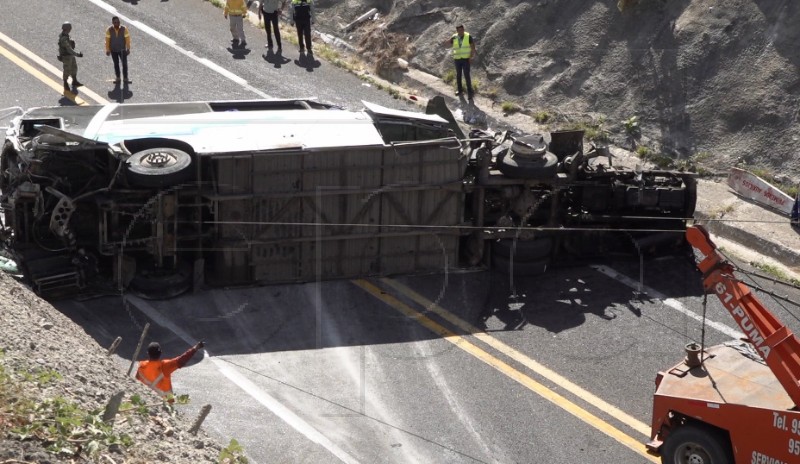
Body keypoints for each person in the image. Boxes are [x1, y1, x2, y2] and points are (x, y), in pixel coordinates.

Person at [136, 341, 204, 400]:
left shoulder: (142, 365)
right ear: (160, 353)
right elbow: (181, 360)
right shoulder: (165, 365)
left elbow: (136, 380)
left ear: (148, 353)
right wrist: (195, 348)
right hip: (166, 401)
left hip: (147, 398)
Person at [444, 25, 476, 99]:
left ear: (464, 29)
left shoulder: (468, 36)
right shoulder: (454, 36)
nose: (461, 31)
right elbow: (449, 43)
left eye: (462, 30)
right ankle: (460, 90)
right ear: (457, 31)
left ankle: (470, 92)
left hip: (466, 59)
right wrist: (446, 41)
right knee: (458, 75)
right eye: (459, 30)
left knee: (466, 75)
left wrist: (471, 57)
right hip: (457, 59)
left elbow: (473, 47)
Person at [58, 22, 83, 92]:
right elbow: (69, 49)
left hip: (70, 56)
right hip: (66, 56)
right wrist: (77, 54)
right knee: (67, 70)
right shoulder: (64, 39)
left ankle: (74, 81)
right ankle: (65, 84)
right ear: (67, 28)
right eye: (70, 28)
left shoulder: (66, 35)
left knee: (74, 68)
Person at [105, 16, 131, 84]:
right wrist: (108, 50)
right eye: (115, 22)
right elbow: (107, 40)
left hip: (122, 50)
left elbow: (127, 39)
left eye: (118, 22)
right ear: (112, 23)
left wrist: (128, 48)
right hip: (113, 50)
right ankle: (118, 78)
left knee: (124, 64)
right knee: (116, 64)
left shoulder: (124, 29)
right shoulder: (109, 30)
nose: (117, 24)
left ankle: (125, 78)